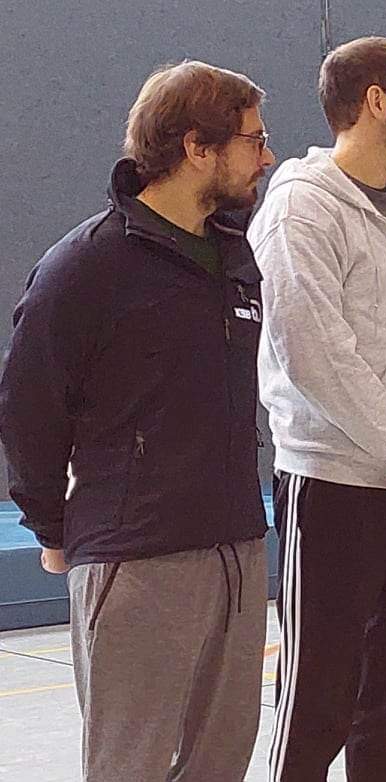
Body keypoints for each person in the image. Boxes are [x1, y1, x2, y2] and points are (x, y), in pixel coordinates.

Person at [0, 60, 274, 780]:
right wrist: (53, 528)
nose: (266, 156)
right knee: (132, 767)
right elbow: (27, 409)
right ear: (197, 148)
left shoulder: (233, 254)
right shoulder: (86, 267)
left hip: (237, 549)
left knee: (221, 763)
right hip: (137, 559)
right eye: (253, 139)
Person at [250, 36, 386, 781]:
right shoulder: (301, 210)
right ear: (376, 101)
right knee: (317, 704)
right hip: (335, 489)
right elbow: (315, 354)